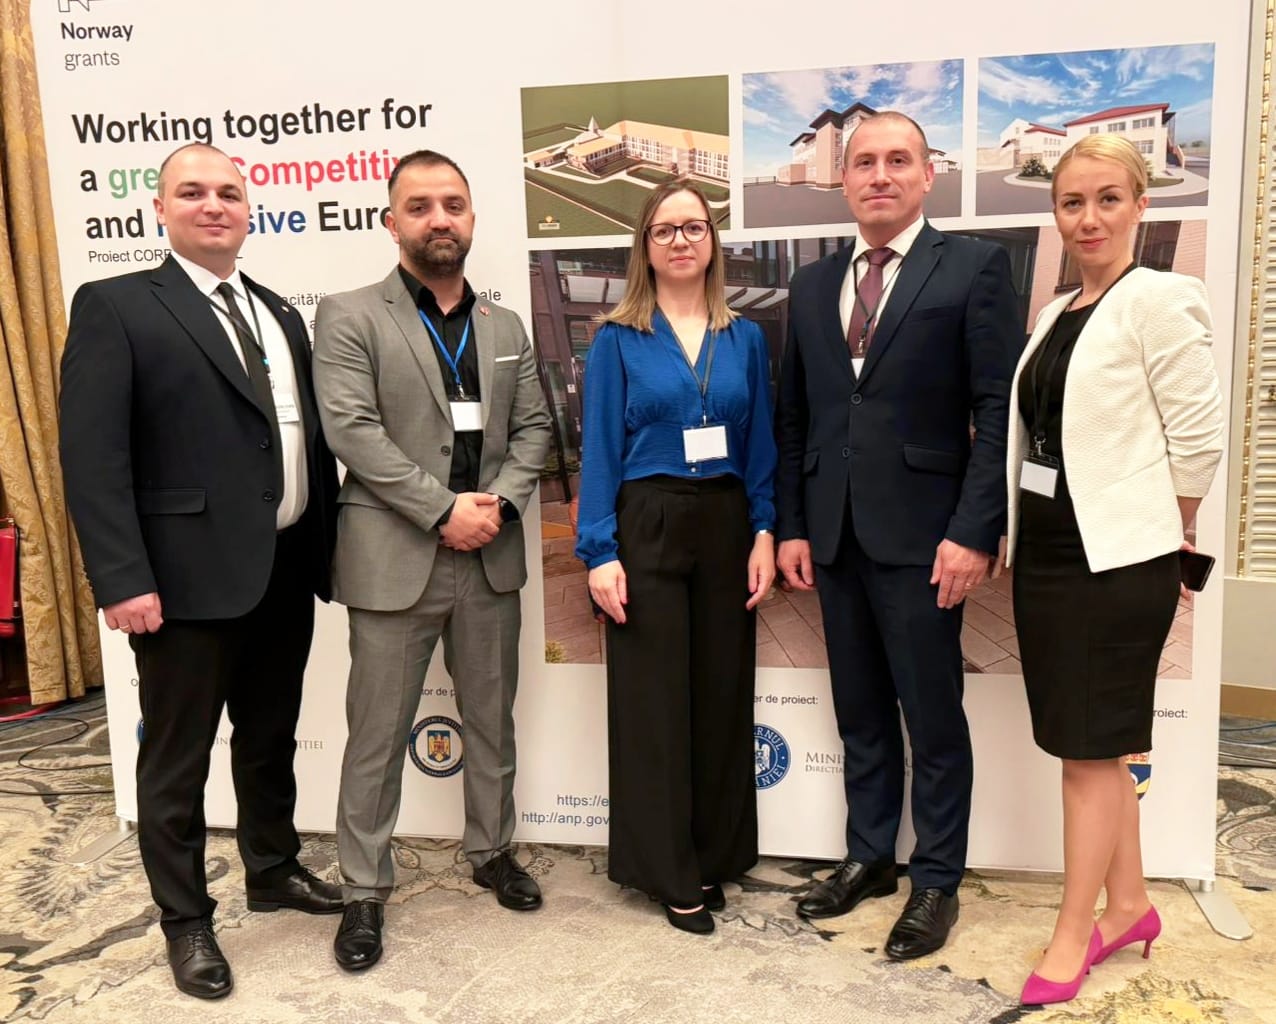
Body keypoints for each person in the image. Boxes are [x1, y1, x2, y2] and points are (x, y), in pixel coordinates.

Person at [59, 143, 343, 1000]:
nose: (213, 204)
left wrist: (325, 549)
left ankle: (273, 868)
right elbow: (93, 457)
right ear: (161, 209)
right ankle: (186, 920)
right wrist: (120, 578)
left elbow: (298, 438)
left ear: (249, 210)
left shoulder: (278, 311)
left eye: (228, 192)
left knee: (270, 737)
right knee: (177, 762)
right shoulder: (116, 305)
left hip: (282, 569)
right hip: (180, 584)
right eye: (193, 192)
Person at [774, 112, 1020, 959]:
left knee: (933, 718)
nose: (879, 175)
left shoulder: (975, 268)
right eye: (864, 162)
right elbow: (797, 414)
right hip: (834, 535)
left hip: (927, 539)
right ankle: (870, 857)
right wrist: (793, 526)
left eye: (897, 160)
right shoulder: (812, 285)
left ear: (927, 174)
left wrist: (974, 530)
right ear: (844, 180)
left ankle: (937, 880)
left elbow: (998, 411)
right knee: (861, 713)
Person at [313, 150, 551, 971]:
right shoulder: (349, 315)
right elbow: (352, 432)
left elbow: (535, 431)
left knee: (490, 720)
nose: (438, 218)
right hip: (394, 557)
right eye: (419, 206)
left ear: (472, 218)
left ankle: (492, 851)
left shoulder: (505, 328)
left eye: (453, 204)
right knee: (376, 736)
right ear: (392, 222)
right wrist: (442, 510)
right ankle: (363, 889)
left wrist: (498, 508)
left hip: (490, 556)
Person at [1006, 134, 1223, 1005]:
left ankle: (1075, 932)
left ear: (1140, 205)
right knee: (1096, 743)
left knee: (1087, 755)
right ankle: (1130, 904)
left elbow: (1198, 439)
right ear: (1055, 213)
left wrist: (1164, 534)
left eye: (1107, 199)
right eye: (1072, 202)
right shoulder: (1057, 311)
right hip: (1049, 552)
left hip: (1118, 560)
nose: (1088, 218)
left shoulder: (1161, 298)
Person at [576, 179, 777, 935]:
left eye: (694, 227)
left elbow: (761, 444)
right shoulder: (617, 338)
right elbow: (599, 450)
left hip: (726, 520)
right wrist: (599, 551)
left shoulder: (745, 337)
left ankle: (712, 854)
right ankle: (667, 870)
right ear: (646, 246)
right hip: (648, 520)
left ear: (713, 241)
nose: (682, 240)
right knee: (654, 703)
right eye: (665, 229)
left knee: (720, 697)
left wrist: (764, 530)